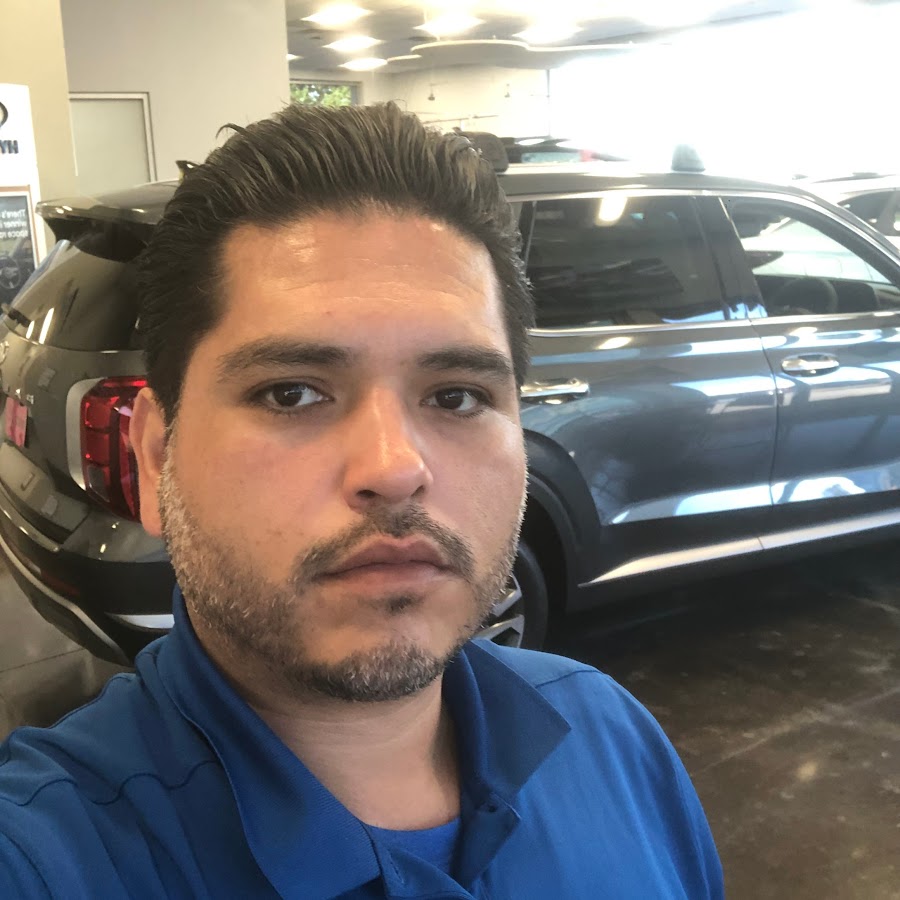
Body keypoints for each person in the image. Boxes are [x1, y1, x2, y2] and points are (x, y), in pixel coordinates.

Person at [0, 102, 724, 899]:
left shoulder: (612, 738)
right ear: (155, 458)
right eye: (291, 393)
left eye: (455, 396)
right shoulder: (49, 855)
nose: (396, 468)